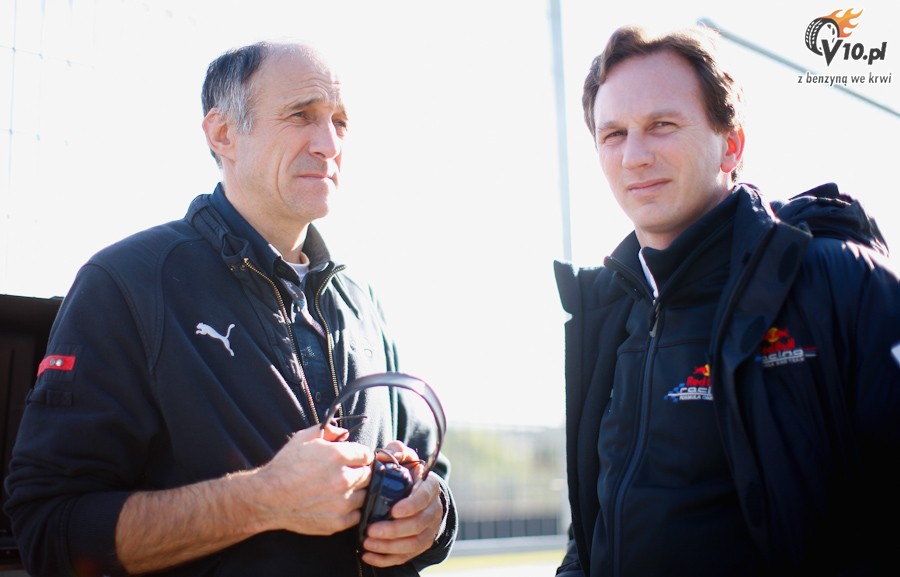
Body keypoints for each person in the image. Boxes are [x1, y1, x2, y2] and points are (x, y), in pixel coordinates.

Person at [4, 41, 456, 577]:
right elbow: (50, 530)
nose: (330, 144)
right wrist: (262, 499)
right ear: (222, 133)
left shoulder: (361, 300)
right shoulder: (126, 282)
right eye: (301, 115)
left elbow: (431, 469)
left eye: (340, 121)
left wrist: (434, 515)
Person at [554, 24, 900, 576]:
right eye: (613, 134)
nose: (634, 156)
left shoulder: (838, 281)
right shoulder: (608, 314)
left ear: (731, 144)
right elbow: (594, 532)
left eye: (662, 125)